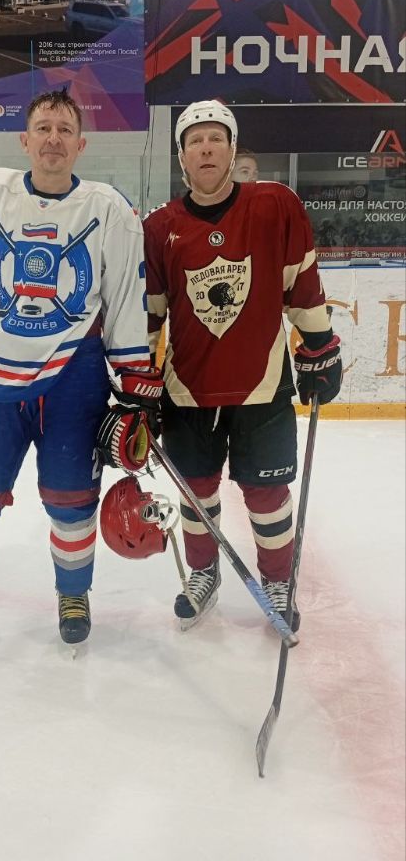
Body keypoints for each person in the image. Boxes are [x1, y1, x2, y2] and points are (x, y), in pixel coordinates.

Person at [0, 88, 162, 673]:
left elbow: (125, 297)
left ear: (81, 144)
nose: (54, 138)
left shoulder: (110, 210)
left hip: (74, 380)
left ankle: (73, 595)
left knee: (72, 503)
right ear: (25, 140)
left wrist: (134, 378)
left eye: (65, 129)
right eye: (44, 128)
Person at [143, 100, 342, 630]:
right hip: (188, 390)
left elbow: (302, 282)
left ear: (232, 150)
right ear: (181, 156)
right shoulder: (159, 227)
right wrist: (138, 379)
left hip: (263, 384)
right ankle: (204, 572)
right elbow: (151, 314)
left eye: (216, 138)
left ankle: (276, 580)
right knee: (196, 491)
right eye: (194, 141)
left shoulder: (276, 205)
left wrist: (319, 345)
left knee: (267, 494)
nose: (206, 149)